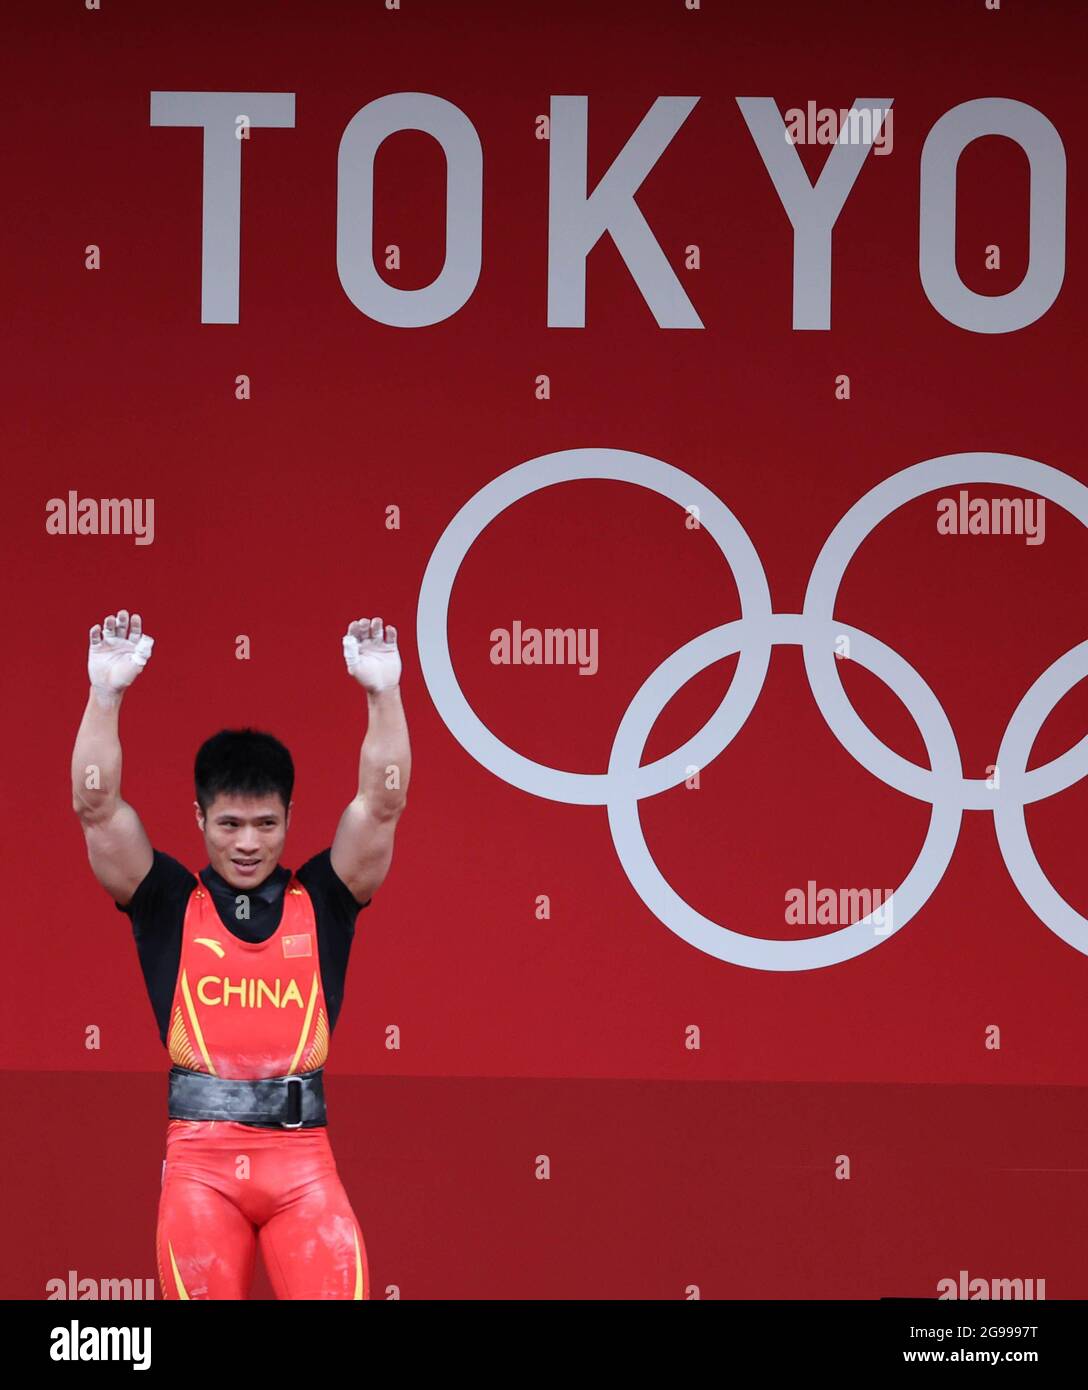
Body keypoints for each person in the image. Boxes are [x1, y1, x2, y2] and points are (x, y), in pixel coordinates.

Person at [70, 608, 409, 1300]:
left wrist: (384, 695)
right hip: (200, 1168)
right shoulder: (167, 900)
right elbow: (96, 809)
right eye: (228, 823)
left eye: (265, 824)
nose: (247, 843)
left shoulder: (324, 897)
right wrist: (104, 699)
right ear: (199, 819)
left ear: (288, 816)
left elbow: (380, 805)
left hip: (305, 1168)